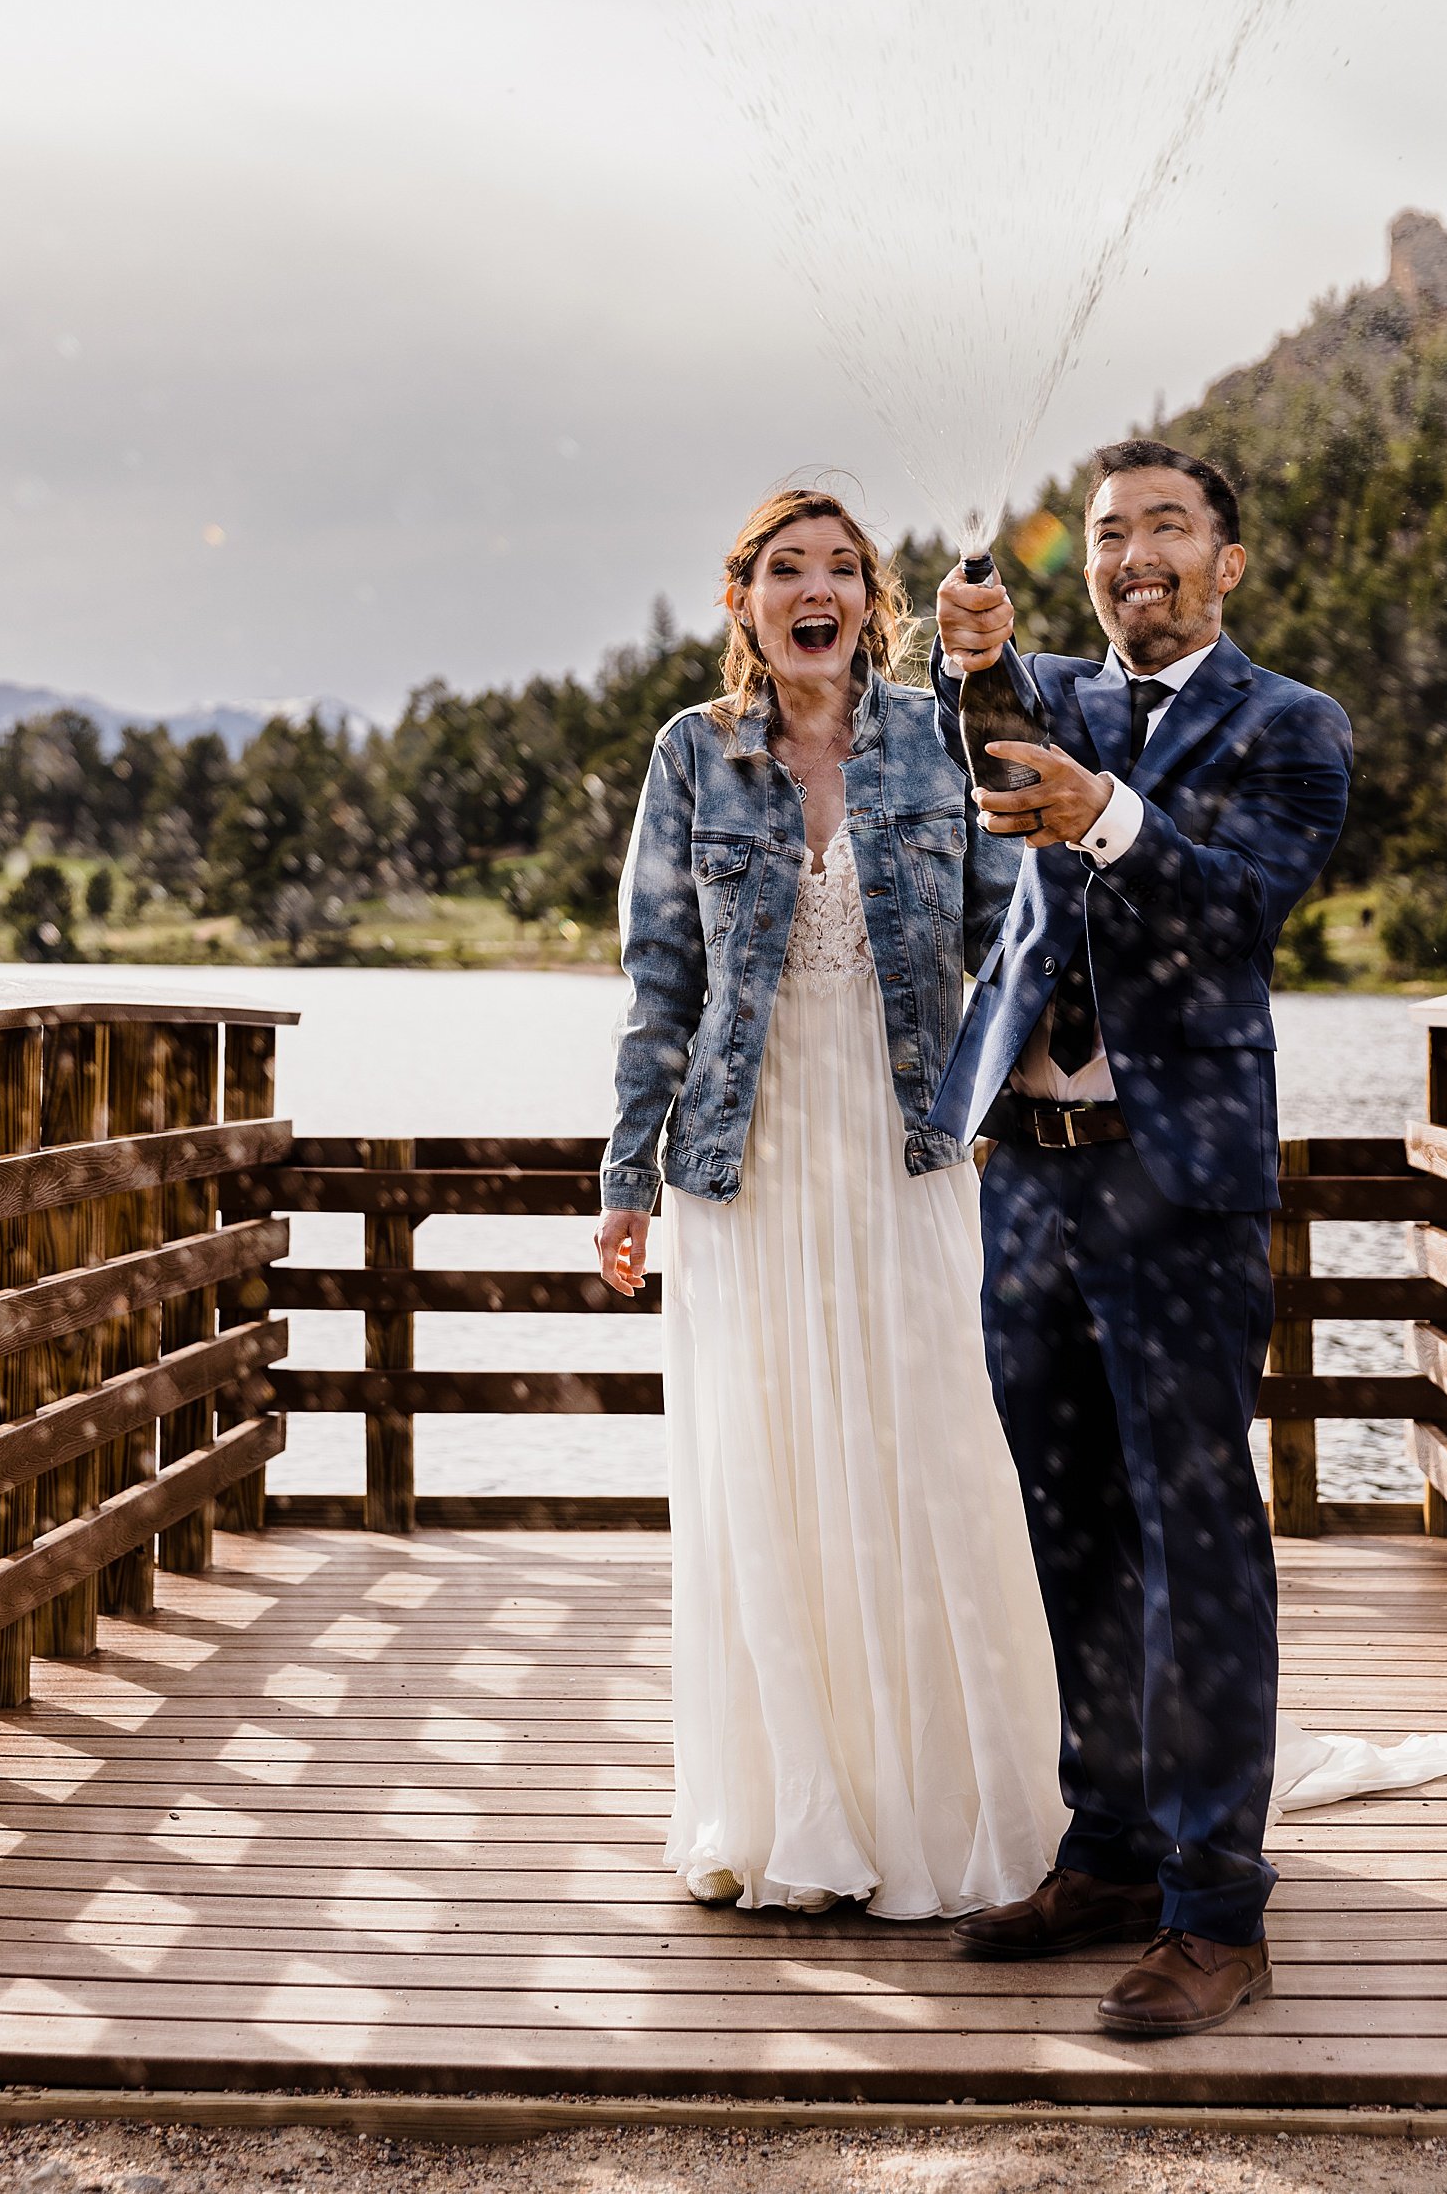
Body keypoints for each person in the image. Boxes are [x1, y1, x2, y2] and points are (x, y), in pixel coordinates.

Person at [931, 438, 1353, 2041]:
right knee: (1072, 1525)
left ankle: (1215, 1909)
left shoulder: (1293, 724)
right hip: (1029, 1173)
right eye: (1111, 535)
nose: (1136, 556)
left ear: (1226, 562)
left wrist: (1111, 817)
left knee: (1197, 1542)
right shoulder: (1054, 696)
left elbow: (1239, 911)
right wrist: (974, 653)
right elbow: (988, 740)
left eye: (1169, 529)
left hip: (1177, 1185)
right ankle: (1104, 1853)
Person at [596, 485, 1065, 1919]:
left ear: (876, 599)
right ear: (744, 602)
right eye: (786, 569)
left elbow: (1017, 934)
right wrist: (625, 1174)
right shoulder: (695, 752)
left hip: (907, 1156)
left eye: (843, 569)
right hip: (742, 1169)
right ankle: (795, 1806)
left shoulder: (936, 736)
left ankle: (950, 1797)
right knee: (769, 1462)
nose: (819, 590)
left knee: (926, 1444)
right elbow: (659, 978)